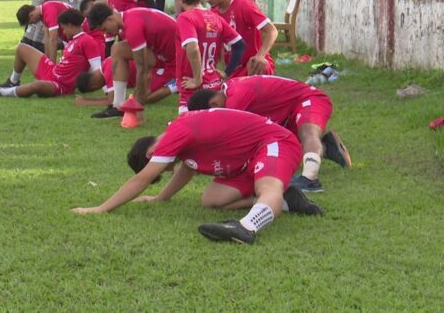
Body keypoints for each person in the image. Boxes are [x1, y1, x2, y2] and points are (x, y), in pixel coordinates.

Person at [71, 108, 324, 245]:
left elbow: (141, 180)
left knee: (267, 187)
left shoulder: (174, 134)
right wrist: (160, 198)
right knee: (211, 198)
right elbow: (187, 170)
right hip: (248, 160)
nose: (168, 169)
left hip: (274, 142)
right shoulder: (180, 141)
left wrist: (101, 208)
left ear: (151, 152)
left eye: (162, 167)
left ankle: (246, 227)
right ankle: (289, 200)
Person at [187, 75, 352, 193]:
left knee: (308, 133)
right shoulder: (231, 92)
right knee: (282, 148)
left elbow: (230, 138)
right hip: (286, 113)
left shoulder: (236, 98)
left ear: (214, 104)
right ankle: (326, 146)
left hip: (309, 99)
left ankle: (310, 179)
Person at [0, 9, 102, 98]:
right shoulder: (73, 40)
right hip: (52, 71)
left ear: (70, 25)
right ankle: (13, 81)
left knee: (37, 86)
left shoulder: (87, 41)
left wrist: (100, 90)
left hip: (60, 85)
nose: (63, 32)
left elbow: (98, 70)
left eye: (64, 28)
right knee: (21, 48)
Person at [87, 4, 176, 118]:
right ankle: (117, 106)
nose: (106, 33)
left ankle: (176, 84)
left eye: (104, 29)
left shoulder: (132, 27)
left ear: (110, 19)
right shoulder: (126, 20)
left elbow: (142, 68)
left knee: (144, 95)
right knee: (117, 49)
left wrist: (138, 105)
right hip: (160, 56)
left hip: (176, 63)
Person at [171, 0, 246, 114]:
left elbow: (192, 47)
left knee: (188, 129)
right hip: (213, 84)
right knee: (212, 126)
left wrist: (197, 78)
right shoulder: (215, 17)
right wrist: (227, 72)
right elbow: (239, 45)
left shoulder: (185, 17)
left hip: (193, 85)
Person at [199, 0, 278, 78]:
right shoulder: (213, 13)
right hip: (234, 69)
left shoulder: (244, 4)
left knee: (259, 67)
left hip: (254, 65)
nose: (207, 0)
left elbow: (272, 31)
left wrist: (260, 56)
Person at [74, 58, 176, 107]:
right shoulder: (106, 64)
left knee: (141, 98)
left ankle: (176, 85)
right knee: (137, 97)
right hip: (152, 68)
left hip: (159, 69)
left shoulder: (109, 71)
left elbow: (113, 101)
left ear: (94, 86)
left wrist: (87, 102)